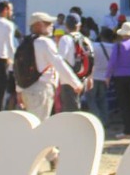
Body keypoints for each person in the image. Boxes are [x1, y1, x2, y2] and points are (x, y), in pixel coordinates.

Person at [15, 12, 83, 166]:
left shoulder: (25, 43)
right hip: (41, 90)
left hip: (27, 89)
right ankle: (40, 160)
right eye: (48, 23)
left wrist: (19, 90)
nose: (52, 26)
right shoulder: (45, 43)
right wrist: (75, 83)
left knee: (39, 125)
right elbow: (58, 63)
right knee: (40, 127)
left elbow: (19, 69)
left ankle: (53, 157)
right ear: (38, 25)